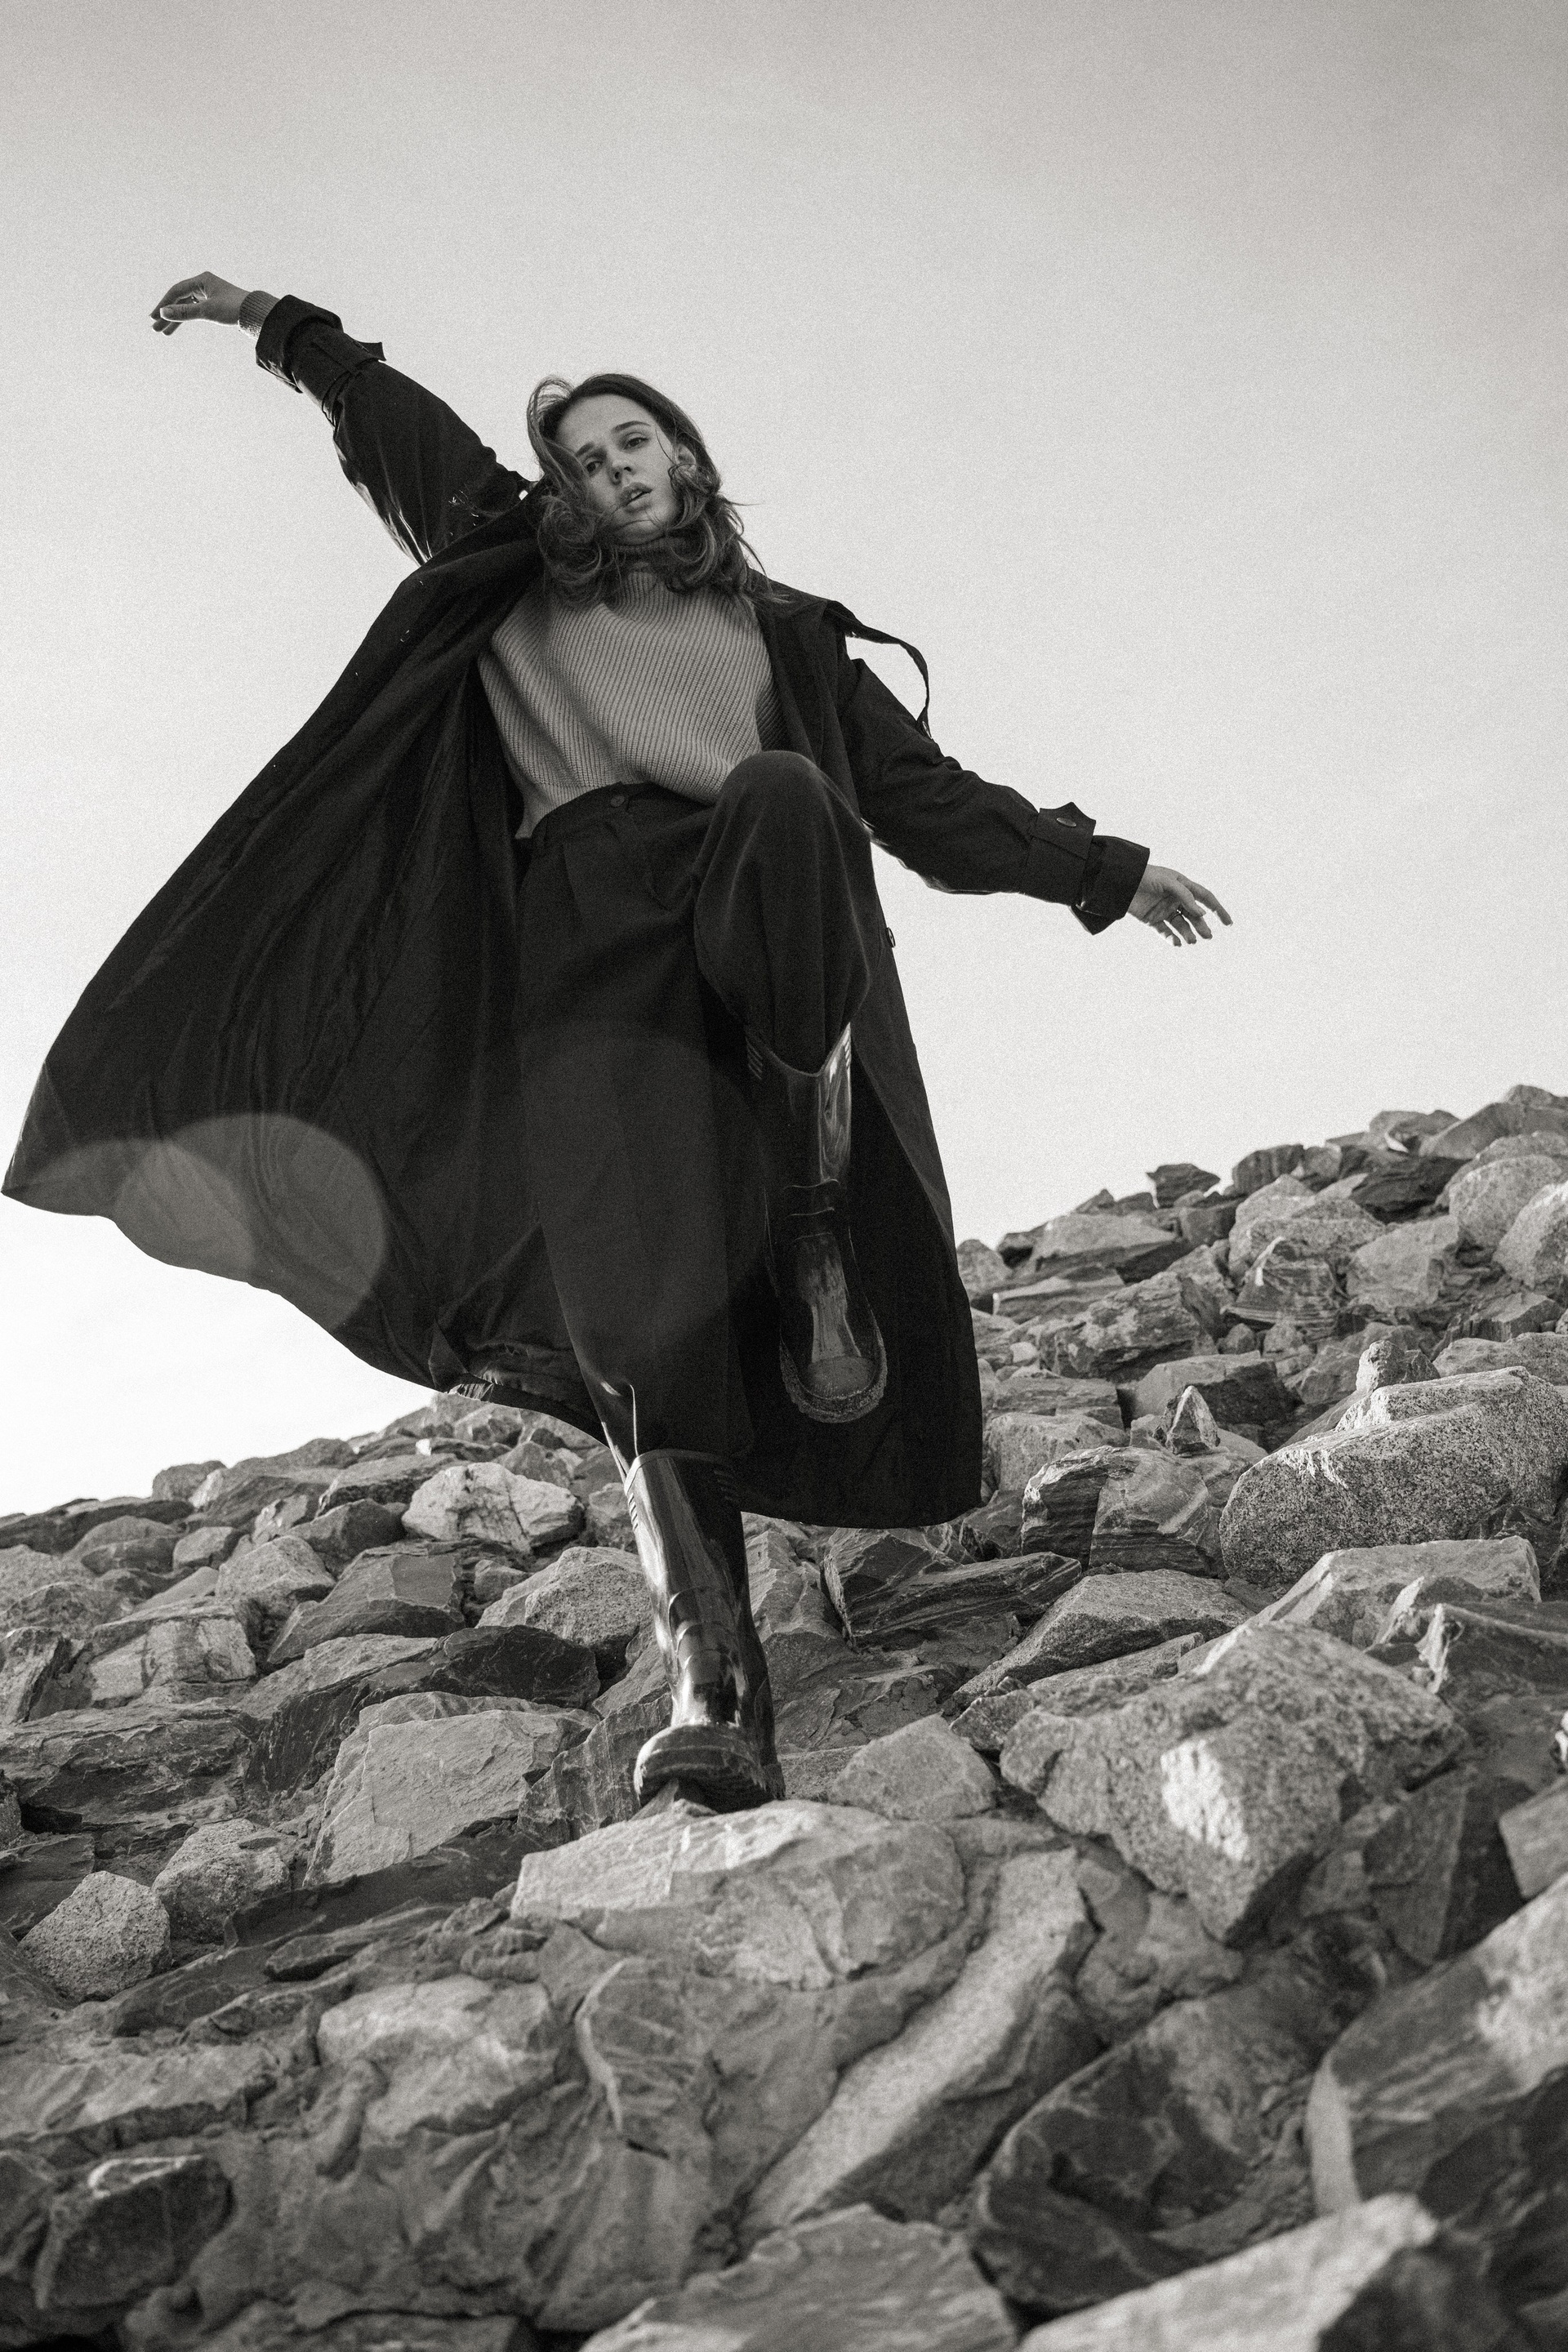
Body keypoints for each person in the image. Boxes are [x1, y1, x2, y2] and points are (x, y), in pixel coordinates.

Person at [6, 269, 1230, 1814]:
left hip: (755, 904)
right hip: (590, 944)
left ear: (687, 456)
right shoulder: (512, 567)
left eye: (632, 441)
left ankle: (811, 1225)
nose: (610, 470)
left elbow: (927, 805)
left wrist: (1105, 872)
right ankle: (716, 1693)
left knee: (786, 794)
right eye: (581, 459)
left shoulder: (790, 639)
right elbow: (394, 425)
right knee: (642, 1319)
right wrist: (274, 323)